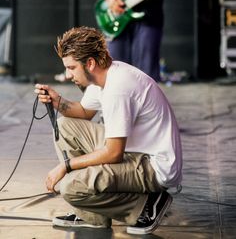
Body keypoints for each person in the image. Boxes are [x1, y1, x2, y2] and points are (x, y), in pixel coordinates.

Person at [35, 26, 182, 235]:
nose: (68, 75)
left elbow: (113, 154)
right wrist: (56, 100)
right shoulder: (105, 74)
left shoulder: (118, 89)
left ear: (90, 63)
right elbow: (84, 111)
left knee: (70, 186)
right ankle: (91, 217)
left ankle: (146, 205)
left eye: (71, 68)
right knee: (64, 126)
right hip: (134, 153)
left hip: (154, 166)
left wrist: (66, 166)